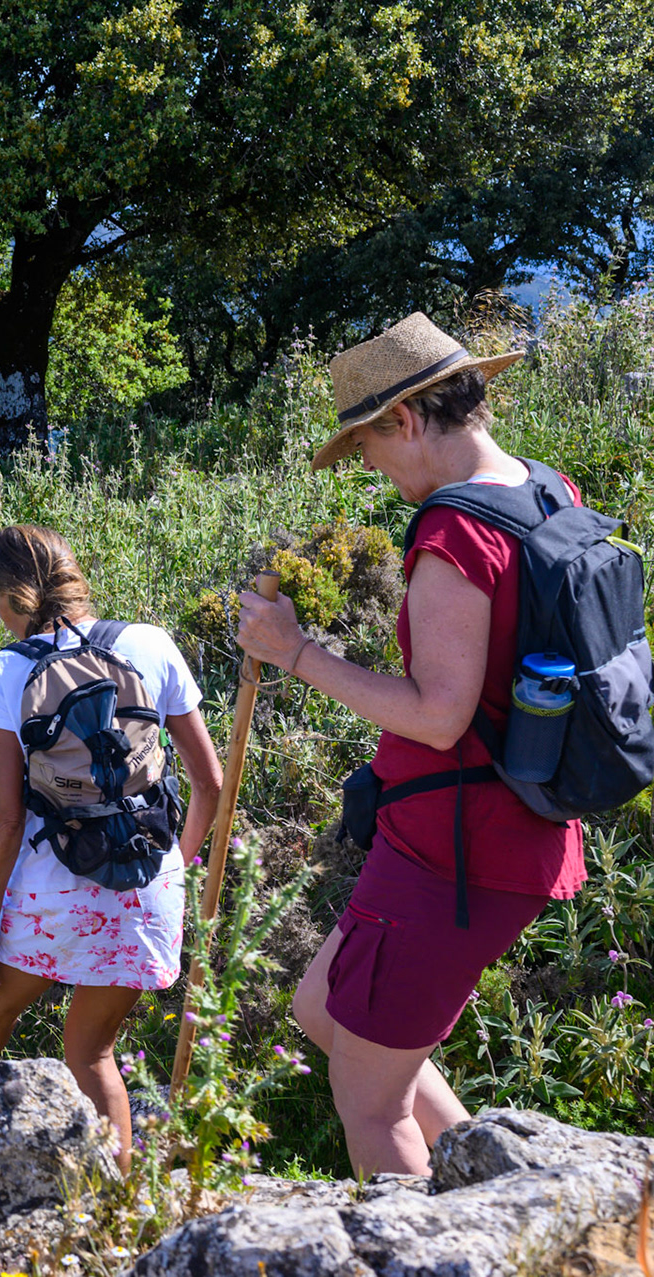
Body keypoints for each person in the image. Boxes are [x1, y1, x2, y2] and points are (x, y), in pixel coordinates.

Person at [235, 312, 585, 1176]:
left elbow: (437, 714)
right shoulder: (548, 491)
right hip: (513, 826)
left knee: (369, 1098)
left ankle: (451, 1243)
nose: (372, 471)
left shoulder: (456, 532)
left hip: (453, 852)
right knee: (322, 1010)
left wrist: (295, 653)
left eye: (365, 447)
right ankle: (499, 1185)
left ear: (406, 418)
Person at [0, 527, 223, 1172]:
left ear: (13, 598)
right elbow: (209, 784)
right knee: (92, 1053)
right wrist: (179, 868)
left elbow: (7, 817)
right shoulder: (150, 643)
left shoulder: (11, 668)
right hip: (148, 879)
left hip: (51, 885)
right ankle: (116, 1209)